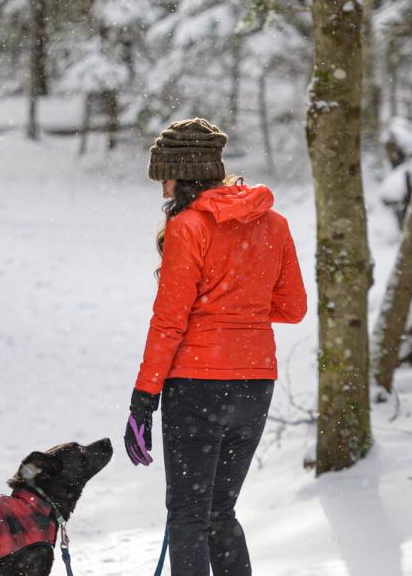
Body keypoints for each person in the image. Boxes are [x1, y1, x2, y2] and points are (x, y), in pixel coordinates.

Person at [123, 118, 307, 576]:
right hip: (254, 385)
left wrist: (143, 399)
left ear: (181, 173)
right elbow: (293, 307)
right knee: (220, 512)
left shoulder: (188, 227)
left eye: (162, 176)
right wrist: (240, 307)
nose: (160, 188)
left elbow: (169, 321)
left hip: (196, 387)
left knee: (187, 515)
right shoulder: (274, 223)